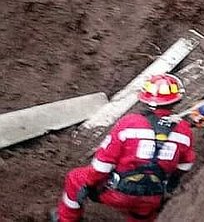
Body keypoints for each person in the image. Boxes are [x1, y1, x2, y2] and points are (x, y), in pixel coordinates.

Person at [51, 74, 194, 222]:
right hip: (151, 197)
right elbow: (186, 165)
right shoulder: (184, 130)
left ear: (145, 99)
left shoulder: (130, 123)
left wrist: (89, 184)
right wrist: (170, 185)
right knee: (144, 215)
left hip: (117, 192)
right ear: (177, 100)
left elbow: (102, 165)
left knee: (75, 178)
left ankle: (66, 219)